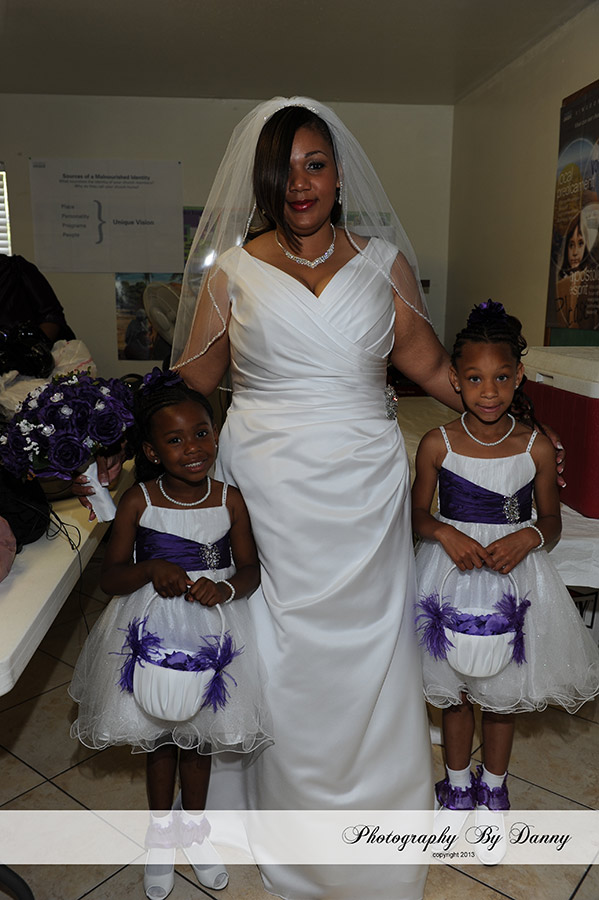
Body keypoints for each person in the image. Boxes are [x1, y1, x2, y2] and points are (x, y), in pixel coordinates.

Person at [168, 96, 468, 900]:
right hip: (268, 487)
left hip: (364, 485)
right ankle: (289, 827)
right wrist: (112, 421)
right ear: (265, 183)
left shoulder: (384, 264)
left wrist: (511, 416)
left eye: (315, 165)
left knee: (369, 646)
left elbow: (430, 366)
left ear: (338, 177)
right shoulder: (233, 272)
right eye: (285, 170)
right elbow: (192, 380)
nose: (300, 184)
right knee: (282, 652)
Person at [69, 368, 270, 900]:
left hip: (214, 630)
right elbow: (111, 577)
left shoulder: (230, 499)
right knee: (160, 737)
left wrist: (225, 589)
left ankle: (194, 831)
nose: (193, 447)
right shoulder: (140, 500)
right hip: (153, 628)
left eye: (201, 433)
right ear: (152, 452)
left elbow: (251, 570)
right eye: (175, 440)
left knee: (198, 737)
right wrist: (150, 568)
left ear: (216, 434)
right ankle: (160, 835)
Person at [411, 301, 599, 864]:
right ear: (454, 379)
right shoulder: (437, 443)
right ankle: (457, 786)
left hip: (514, 578)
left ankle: (494, 790)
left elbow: (552, 520)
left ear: (518, 377)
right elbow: (416, 514)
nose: (488, 391)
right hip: (450, 574)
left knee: (501, 692)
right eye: (474, 379)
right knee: (455, 688)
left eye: (500, 378)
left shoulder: (535, 444)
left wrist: (528, 538)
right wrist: (443, 532)